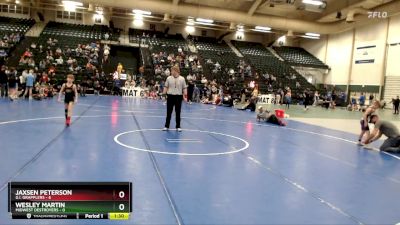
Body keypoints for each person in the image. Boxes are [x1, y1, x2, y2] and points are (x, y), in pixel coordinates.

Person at [162, 65, 187, 132]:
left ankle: (178, 126)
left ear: (176, 71)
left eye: (172, 70)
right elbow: (165, 87)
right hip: (170, 96)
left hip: (178, 97)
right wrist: (163, 95)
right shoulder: (168, 78)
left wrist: (185, 96)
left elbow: (184, 88)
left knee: (178, 112)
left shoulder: (182, 79)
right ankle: (166, 126)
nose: (171, 72)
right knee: (168, 112)